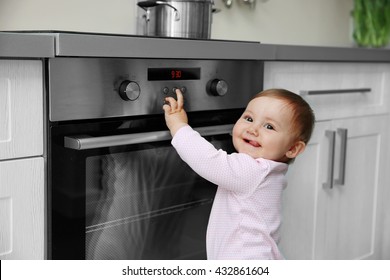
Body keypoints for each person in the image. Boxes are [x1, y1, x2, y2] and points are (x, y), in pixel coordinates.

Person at [163, 88, 315, 260]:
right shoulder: (273, 174)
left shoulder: (253, 170)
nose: (253, 129)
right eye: (249, 118)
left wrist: (179, 125)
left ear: (293, 148)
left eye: (269, 126)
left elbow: (207, 160)